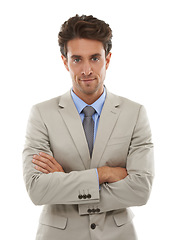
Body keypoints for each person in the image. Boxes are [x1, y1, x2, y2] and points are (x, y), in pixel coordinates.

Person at [23, 14, 154, 240]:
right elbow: (37, 189)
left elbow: (140, 189)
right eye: (77, 59)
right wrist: (105, 174)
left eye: (94, 58)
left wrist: (64, 181)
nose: (86, 70)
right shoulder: (42, 114)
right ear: (65, 61)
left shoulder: (135, 114)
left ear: (108, 59)